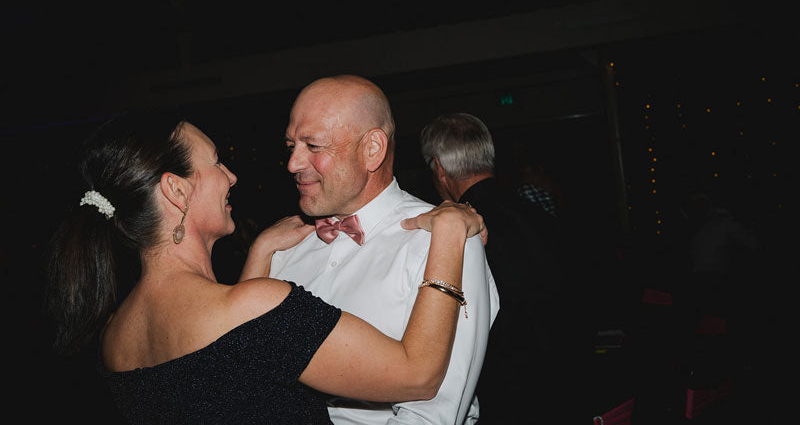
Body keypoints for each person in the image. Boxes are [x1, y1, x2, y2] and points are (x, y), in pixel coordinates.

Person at [43, 109, 486, 424]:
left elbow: (228, 371)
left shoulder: (115, 337)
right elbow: (418, 375)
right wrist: (448, 233)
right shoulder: (257, 307)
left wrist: (259, 253)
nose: (231, 176)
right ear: (176, 191)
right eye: (216, 162)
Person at [264, 75, 499, 424]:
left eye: (313, 146)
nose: (293, 163)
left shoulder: (445, 242)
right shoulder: (283, 248)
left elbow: (432, 414)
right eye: (291, 146)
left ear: (372, 149)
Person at [420, 112, 586, 424]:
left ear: (439, 169)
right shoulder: (542, 215)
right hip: (568, 383)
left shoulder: (457, 234)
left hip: (505, 397)